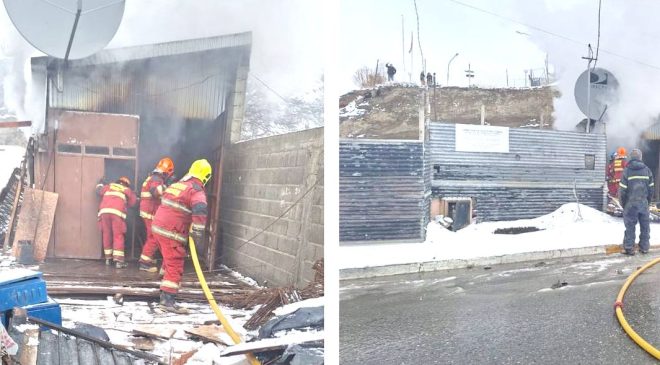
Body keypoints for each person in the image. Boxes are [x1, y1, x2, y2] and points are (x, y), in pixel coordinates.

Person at [152, 159, 212, 313]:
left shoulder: (178, 184)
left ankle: (163, 279)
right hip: (170, 231)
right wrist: (198, 232)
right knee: (175, 263)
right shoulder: (196, 189)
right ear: (206, 177)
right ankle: (167, 301)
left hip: (158, 227)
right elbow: (200, 207)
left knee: (168, 257)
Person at [138, 157, 175, 272]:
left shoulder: (154, 177)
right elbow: (155, 192)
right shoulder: (156, 178)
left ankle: (148, 257)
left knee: (151, 236)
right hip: (150, 212)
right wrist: (166, 185)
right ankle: (144, 263)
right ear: (168, 171)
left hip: (149, 211)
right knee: (154, 237)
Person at [96, 176, 137, 268]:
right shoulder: (127, 190)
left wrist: (100, 183)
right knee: (118, 235)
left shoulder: (109, 186)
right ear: (127, 184)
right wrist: (134, 193)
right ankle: (118, 261)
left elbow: (98, 191)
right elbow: (133, 203)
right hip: (116, 213)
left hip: (104, 212)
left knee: (107, 234)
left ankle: (108, 259)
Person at [619, 148, 654, 255]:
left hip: (630, 204)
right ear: (640, 157)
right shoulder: (647, 170)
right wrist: (647, 201)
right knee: (645, 226)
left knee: (630, 226)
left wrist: (624, 204)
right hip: (643, 203)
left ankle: (629, 248)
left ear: (631, 157)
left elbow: (622, 190)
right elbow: (651, 189)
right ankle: (644, 248)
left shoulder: (627, 170)